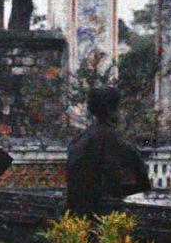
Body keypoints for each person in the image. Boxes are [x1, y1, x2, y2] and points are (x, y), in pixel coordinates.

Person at [64, 83, 150, 220]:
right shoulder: (116, 141)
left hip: (76, 220)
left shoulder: (80, 140)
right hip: (104, 218)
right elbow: (143, 182)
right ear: (111, 109)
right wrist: (114, 193)